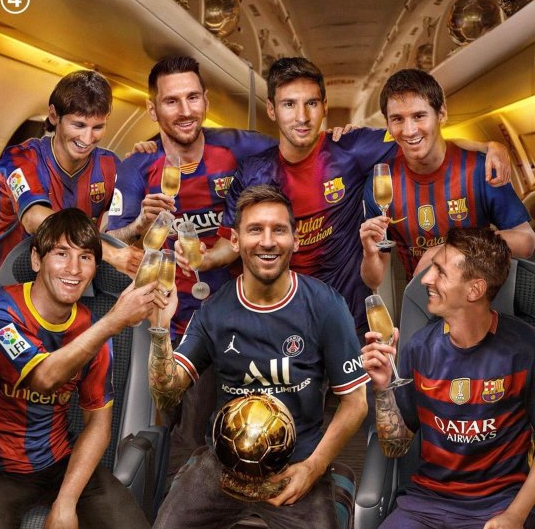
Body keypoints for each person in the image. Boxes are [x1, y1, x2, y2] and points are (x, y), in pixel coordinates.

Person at [142, 184, 369, 529]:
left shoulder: (325, 305)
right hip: (221, 465)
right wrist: (161, 330)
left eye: (278, 230)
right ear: (237, 240)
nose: (267, 241)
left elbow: (356, 403)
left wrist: (312, 468)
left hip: (296, 468)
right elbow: (167, 390)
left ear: (295, 240)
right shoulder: (215, 310)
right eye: (255, 230)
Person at [314, 227, 535, 529]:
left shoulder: (525, 350)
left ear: (474, 289)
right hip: (426, 500)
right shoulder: (420, 348)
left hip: (494, 507)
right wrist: (382, 388)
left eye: (439, 271)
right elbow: (396, 445)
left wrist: (515, 516)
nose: (426, 279)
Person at [196, 57, 510, 335]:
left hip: (347, 318)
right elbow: (229, 243)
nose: (302, 116)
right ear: (271, 110)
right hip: (280, 319)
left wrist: (488, 146)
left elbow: (420, 138)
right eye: (289, 104)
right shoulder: (253, 172)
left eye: (311, 103)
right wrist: (206, 259)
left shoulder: (351, 148)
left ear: (324, 106)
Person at [0, 209, 160, 529]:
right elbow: (45, 376)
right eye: (61, 254)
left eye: (86, 257)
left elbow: (98, 422)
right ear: (36, 260)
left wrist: (66, 500)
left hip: (58, 461)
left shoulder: (90, 328)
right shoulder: (0, 312)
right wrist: (113, 322)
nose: (73, 268)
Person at [106, 55, 276, 475]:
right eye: (171, 101)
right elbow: (109, 241)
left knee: (210, 433)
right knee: (170, 431)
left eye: (193, 98)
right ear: (152, 110)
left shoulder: (238, 149)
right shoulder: (137, 166)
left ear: (206, 101)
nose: (185, 111)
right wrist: (139, 225)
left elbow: (299, 143)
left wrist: (341, 134)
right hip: (164, 320)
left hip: (232, 317)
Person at [360, 68, 535, 291]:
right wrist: (369, 253)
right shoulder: (381, 183)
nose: (409, 130)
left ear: (441, 114)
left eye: (419, 116)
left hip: (481, 296)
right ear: (388, 125)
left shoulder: (480, 167)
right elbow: (374, 279)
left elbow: (526, 241)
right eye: (397, 119)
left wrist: (449, 250)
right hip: (423, 301)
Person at [0, 70, 143, 280]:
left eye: (98, 127)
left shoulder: (109, 165)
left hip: (70, 282)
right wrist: (110, 254)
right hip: (8, 281)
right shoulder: (21, 158)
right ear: (54, 116)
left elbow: (117, 232)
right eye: (78, 125)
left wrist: (141, 221)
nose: (87, 139)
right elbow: (34, 218)